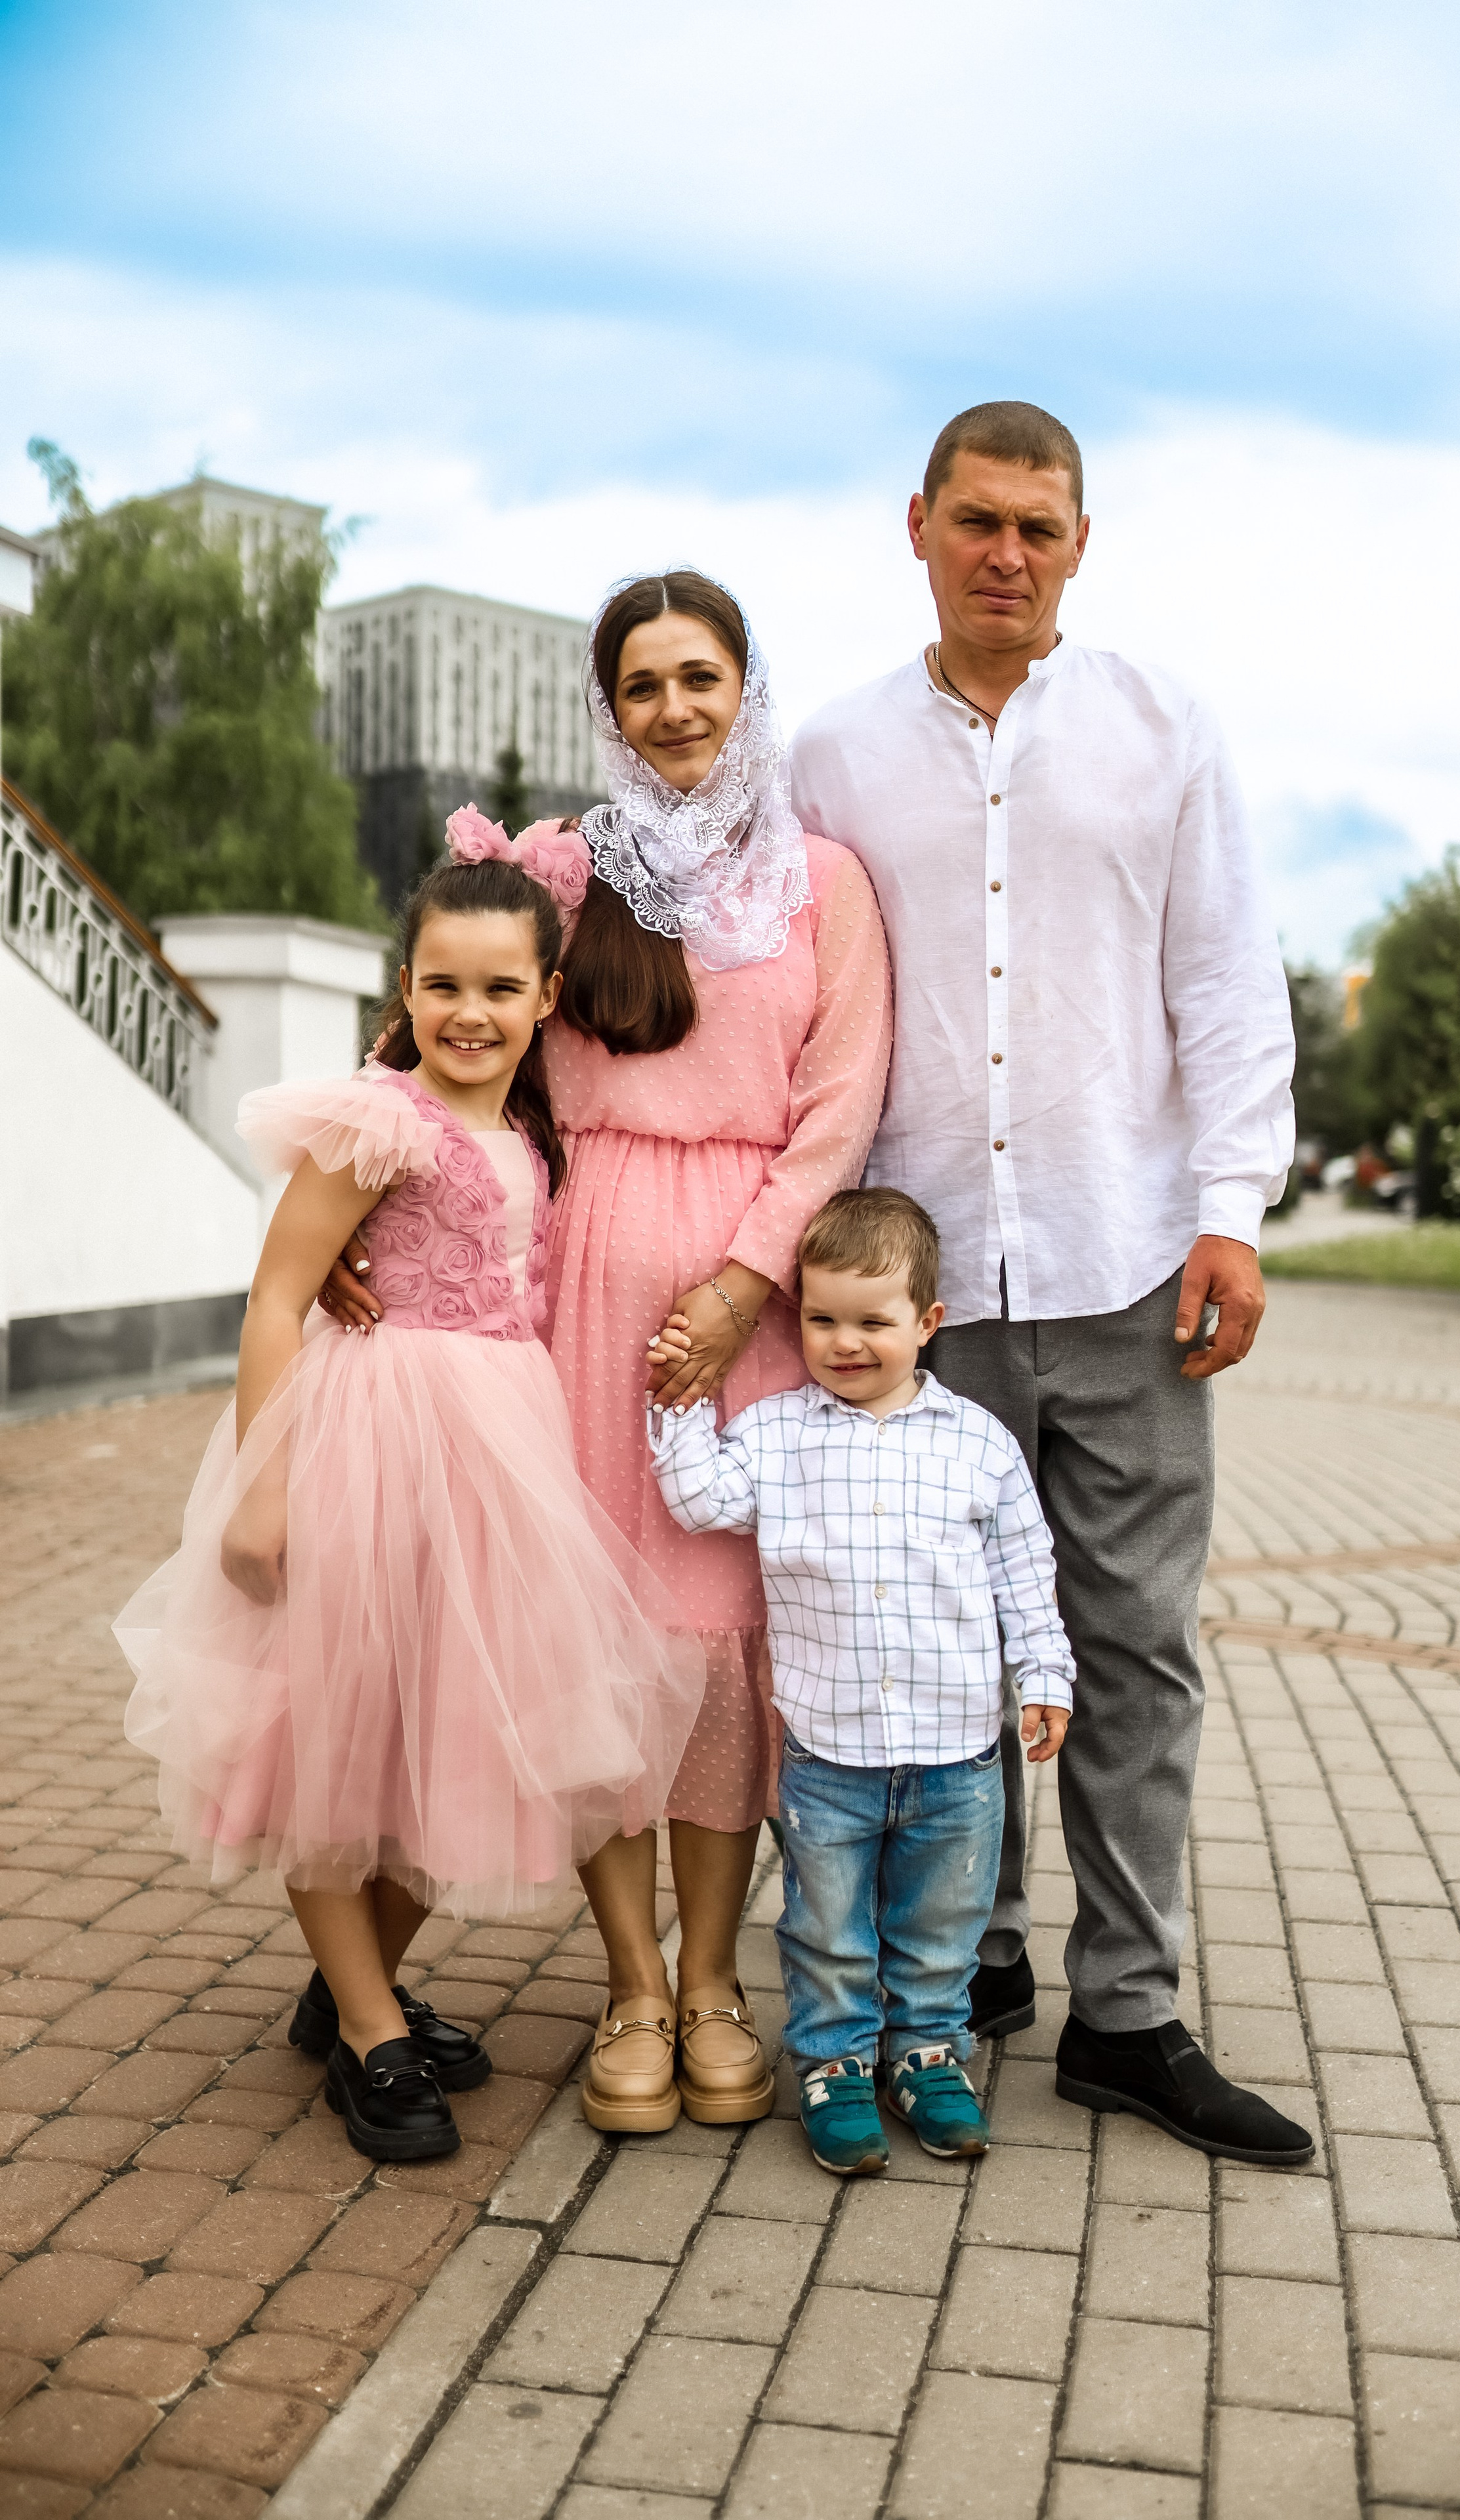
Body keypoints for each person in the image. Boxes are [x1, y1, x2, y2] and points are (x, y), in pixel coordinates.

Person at [788, 402, 1312, 2168]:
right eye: (980, 521)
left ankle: (1130, 2013)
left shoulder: (1167, 733)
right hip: (916, 1284)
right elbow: (766, 984)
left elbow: (1231, 979)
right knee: (933, 1654)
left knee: (1133, 1652)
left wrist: (1231, 1207)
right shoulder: (835, 756)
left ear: (1083, 541)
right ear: (918, 523)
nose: (1009, 551)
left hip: (1126, 1262)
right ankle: (970, 1968)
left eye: (1043, 525)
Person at [323, 572, 892, 2135]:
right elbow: (437, 1045)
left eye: (699, 675)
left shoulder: (821, 882)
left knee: (714, 1654)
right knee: (589, 1634)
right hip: (564, 1300)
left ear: (745, 684)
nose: (675, 710)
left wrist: (741, 1281)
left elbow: (839, 1107)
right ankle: (629, 1982)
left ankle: (715, 1981)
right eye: (641, 685)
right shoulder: (564, 867)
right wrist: (345, 1243)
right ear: (607, 707)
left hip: (747, 1302)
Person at [115, 840, 705, 2165]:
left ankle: (351, 1990)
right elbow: (278, 1293)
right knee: (335, 1738)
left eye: (501, 988)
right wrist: (259, 1492)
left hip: (501, 1457)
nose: (470, 1014)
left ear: (548, 998)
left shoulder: (535, 1124)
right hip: (372, 1445)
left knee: (450, 1733)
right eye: (442, 984)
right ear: (405, 986)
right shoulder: (381, 1117)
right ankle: (373, 2037)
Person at [648, 1187, 1074, 2175]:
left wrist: (1045, 1672)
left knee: (941, 1925)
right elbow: (704, 1501)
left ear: (927, 1324)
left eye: (873, 1322)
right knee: (826, 1925)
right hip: (828, 1751)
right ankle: (835, 2066)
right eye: (823, 1319)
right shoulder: (774, 1432)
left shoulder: (979, 1444)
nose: (846, 1342)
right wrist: (675, 1397)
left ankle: (929, 2055)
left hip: (959, 1753)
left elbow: (1024, 1570)